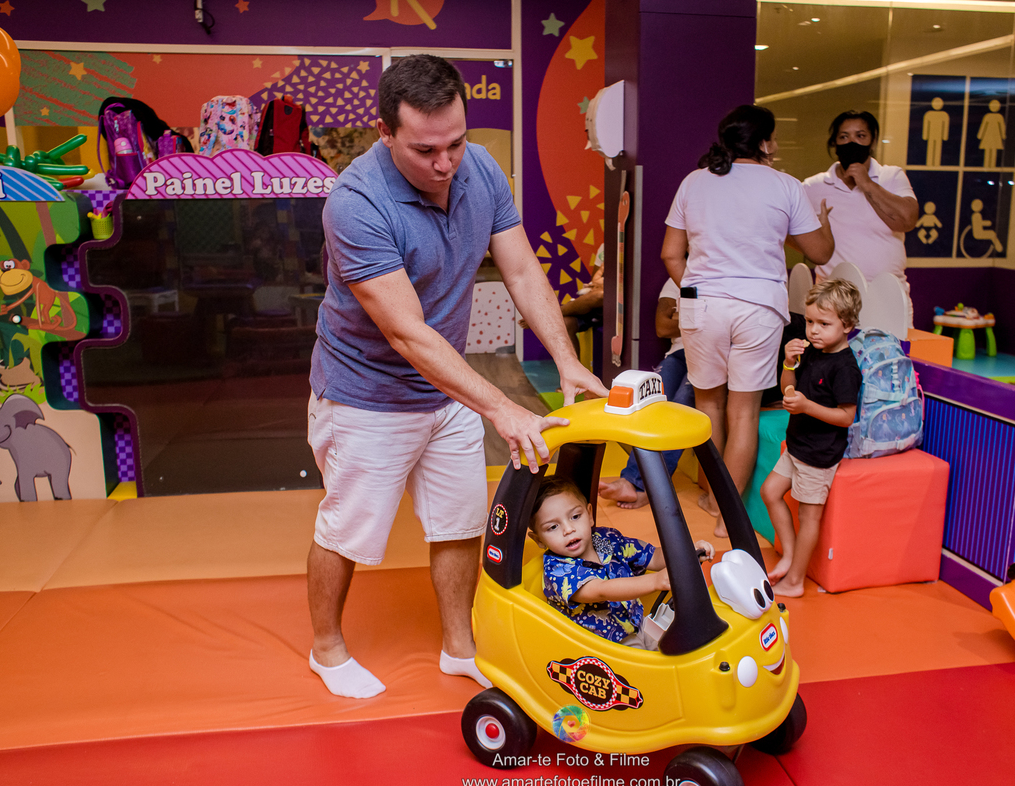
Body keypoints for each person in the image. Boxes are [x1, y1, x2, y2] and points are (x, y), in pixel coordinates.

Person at [306, 55, 606, 699]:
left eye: (456, 142)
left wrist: (565, 358)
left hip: (445, 391)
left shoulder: (481, 170)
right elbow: (407, 332)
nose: (446, 163)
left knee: (460, 522)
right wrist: (502, 406)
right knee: (348, 530)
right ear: (385, 133)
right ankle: (326, 649)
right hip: (367, 394)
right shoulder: (355, 205)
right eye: (425, 149)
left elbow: (523, 271)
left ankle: (459, 648)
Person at [663, 104, 834, 538]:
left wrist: (696, 289)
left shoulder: (694, 182)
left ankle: (709, 493)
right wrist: (824, 221)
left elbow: (671, 254)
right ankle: (727, 515)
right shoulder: (786, 186)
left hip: (704, 306)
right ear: (765, 143)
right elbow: (820, 253)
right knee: (744, 414)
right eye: (773, 138)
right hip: (758, 307)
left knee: (709, 407)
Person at [760, 279, 863, 598]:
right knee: (770, 491)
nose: (814, 330)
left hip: (819, 454)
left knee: (809, 517)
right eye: (809, 322)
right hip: (797, 444)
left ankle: (795, 581)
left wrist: (806, 406)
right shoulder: (812, 352)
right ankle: (789, 555)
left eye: (824, 323)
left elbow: (846, 416)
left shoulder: (845, 367)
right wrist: (789, 364)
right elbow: (788, 388)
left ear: (847, 326)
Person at [530, 476, 714, 647]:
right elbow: (601, 590)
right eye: (553, 527)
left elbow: (652, 556)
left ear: (590, 514)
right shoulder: (557, 571)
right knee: (651, 673)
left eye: (575, 517)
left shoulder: (609, 539)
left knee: (686, 643)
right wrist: (656, 581)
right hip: (604, 646)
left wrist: (686, 553)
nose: (568, 529)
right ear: (539, 540)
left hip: (639, 623)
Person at [801, 110, 919, 316]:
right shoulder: (813, 186)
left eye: (860, 136)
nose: (852, 142)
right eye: (844, 137)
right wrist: (816, 244)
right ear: (834, 143)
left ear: (872, 142)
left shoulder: (892, 176)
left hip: (887, 296)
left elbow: (907, 221)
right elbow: (789, 232)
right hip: (833, 299)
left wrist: (867, 184)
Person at [597, 277, 693, 509]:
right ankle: (634, 480)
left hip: (709, 354)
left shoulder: (721, 276)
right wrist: (698, 319)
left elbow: (717, 324)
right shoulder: (674, 280)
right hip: (679, 354)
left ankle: (643, 485)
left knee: (680, 404)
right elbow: (663, 327)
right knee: (651, 403)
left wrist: (681, 318)